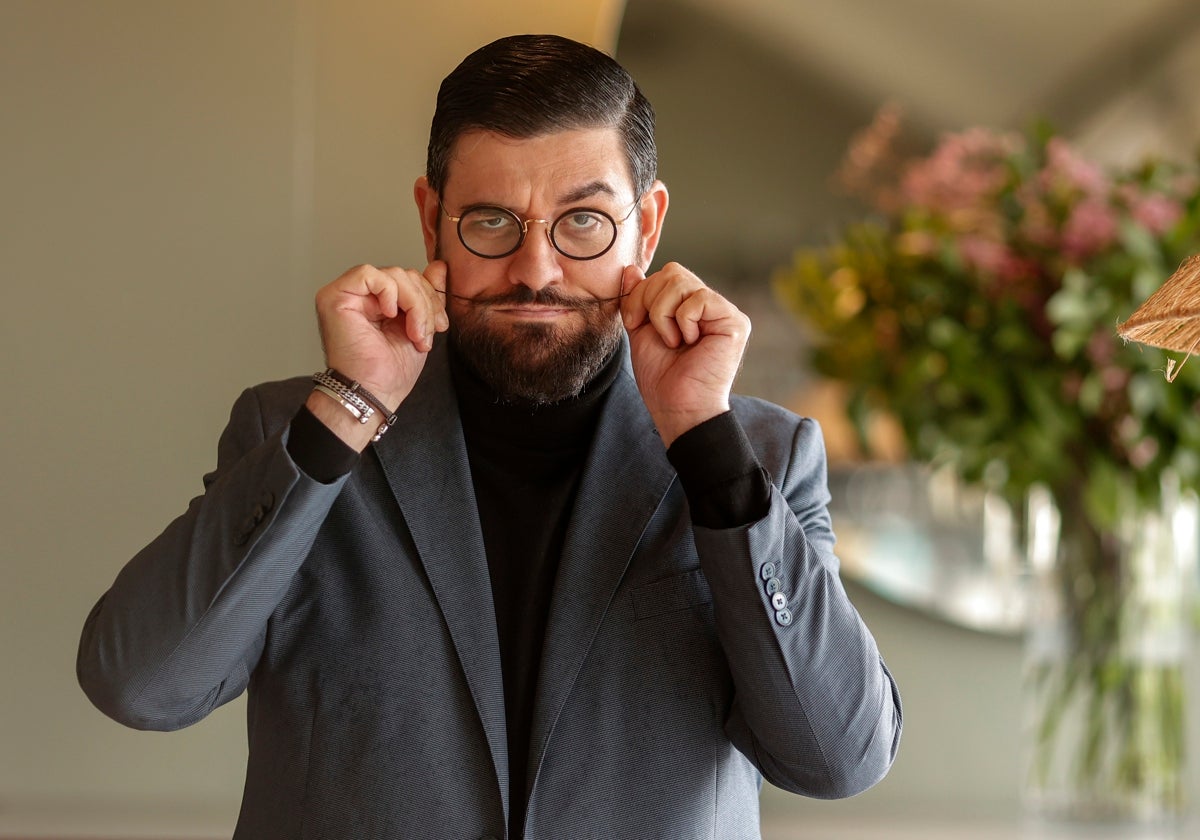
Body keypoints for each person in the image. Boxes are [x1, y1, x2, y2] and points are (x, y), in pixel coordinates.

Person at [78, 33, 901, 840]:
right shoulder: (299, 430)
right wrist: (347, 408)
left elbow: (840, 757)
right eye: (492, 222)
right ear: (433, 219)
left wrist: (703, 439)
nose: (536, 268)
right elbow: (140, 686)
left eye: (583, 222)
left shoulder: (762, 456)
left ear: (646, 228)